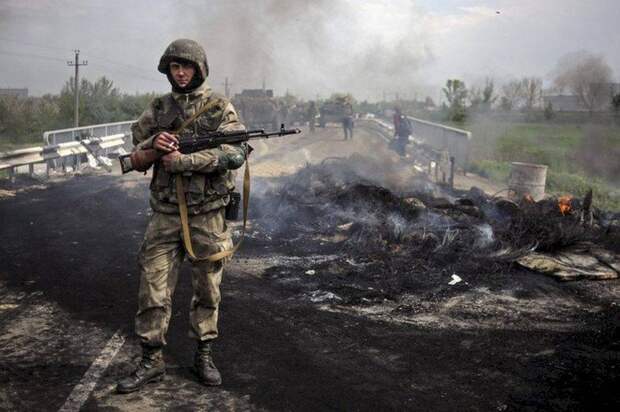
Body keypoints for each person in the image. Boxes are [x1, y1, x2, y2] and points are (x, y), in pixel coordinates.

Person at [116, 39, 248, 393]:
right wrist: (154, 145)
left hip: (207, 215)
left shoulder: (219, 108)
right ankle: (151, 360)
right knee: (152, 289)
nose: (181, 72)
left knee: (207, 289)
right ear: (167, 70)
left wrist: (187, 161)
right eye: (175, 67)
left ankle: (203, 355)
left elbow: (236, 153)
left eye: (187, 66)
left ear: (200, 69)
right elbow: (136, 145)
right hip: (165, 214)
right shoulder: (158, 108)